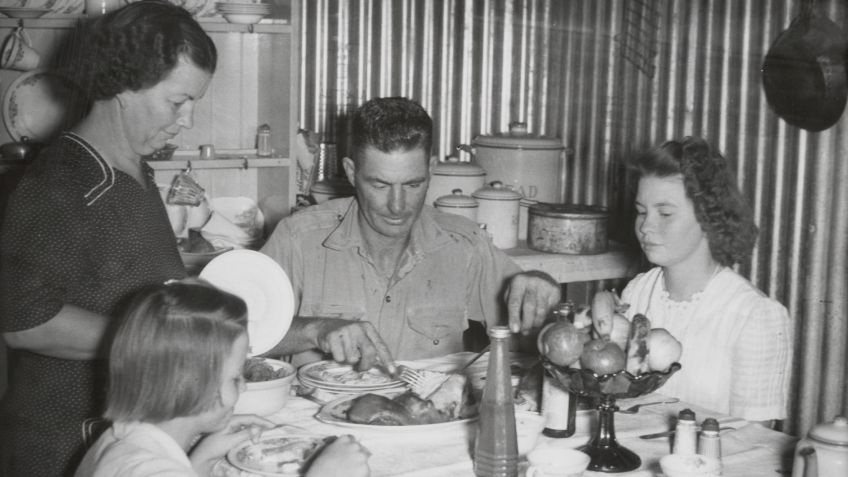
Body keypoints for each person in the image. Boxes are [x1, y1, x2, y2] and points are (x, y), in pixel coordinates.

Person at [0, 2, 214, 475]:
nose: (188, 120)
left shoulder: (135, 170)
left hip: (125, 440)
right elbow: (22, 321)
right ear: (123, 87)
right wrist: (155, 343)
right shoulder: (60, 183)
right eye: (178, 101)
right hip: (64, 447)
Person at [260, 97, 561, 370]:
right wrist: (316, 330)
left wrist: (544, 302)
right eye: (379, 185)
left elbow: (539, 340)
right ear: (351, 172)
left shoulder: (464, 245)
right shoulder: (299, 238)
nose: (397, 206)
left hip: (427, 421)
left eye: (413, 185)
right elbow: (231, 333)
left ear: (430, 169)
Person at [74, 279, 371, 477]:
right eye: (235, 377)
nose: (243, 386)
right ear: (192, 383)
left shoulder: (117, 439)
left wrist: (202, 457)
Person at [618, 137, 791, 424]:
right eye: (641, 211)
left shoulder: (754, 315)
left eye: (665, 213)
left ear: (709, 216)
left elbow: (754, 439)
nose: (646, 226)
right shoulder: (636, 293)